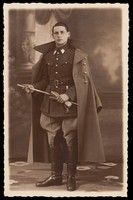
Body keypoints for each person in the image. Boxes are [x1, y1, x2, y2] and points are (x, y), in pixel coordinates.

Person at [23, 22, 105, 191]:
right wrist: (34, 88)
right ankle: (55, 176)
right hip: (51, 104)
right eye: (56, 33)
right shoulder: (47, 56)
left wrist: (68, 95)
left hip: (68, 105)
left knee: (70, 140)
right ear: (52, 35)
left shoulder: (77, 55)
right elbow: (46, 80)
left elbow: (83, 82)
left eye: (62, 32)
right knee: (53, 139)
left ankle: (71, 177)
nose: (59, 35)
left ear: (68, 34)